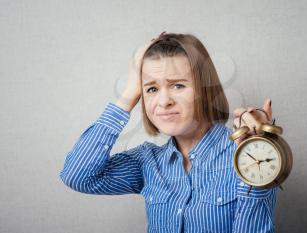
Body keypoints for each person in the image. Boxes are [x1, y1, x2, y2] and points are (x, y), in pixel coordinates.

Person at [59, 32, 278, 233]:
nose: (164, 101)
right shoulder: (147, 161)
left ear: (205, 90)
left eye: (178, 86)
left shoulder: (245, 157)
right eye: (151, 89)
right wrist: (132, 89)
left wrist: (256, 152)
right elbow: (78, 176)